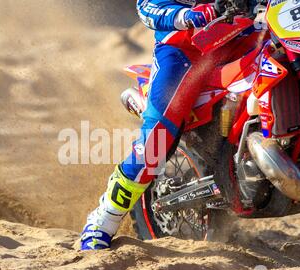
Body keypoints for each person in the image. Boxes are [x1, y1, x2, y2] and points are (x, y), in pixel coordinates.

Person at [81, 0, 222, 250]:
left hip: (246, 35)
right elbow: (148, 6)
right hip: (185, 47)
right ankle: (104, 219)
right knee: (154, 143)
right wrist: (188, 15)